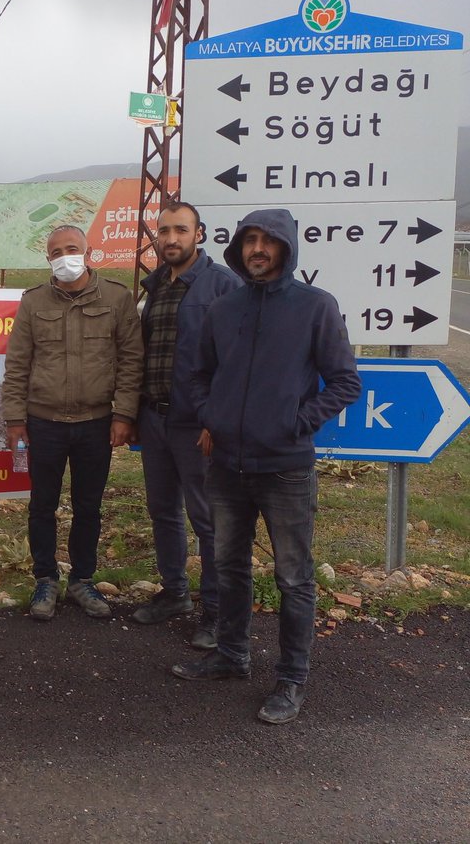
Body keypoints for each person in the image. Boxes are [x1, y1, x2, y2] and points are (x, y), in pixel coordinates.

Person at [171, 208, 361, 725]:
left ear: (287, 248)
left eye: (268, 241)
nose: (258, 249)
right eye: (249, 239)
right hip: (226, 466)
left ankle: (291, 678)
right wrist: (212, 413)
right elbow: (196, 374)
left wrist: (296, 423)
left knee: (293, 577)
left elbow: (345, 382)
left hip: (285, 468)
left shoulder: (315, 307)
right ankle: (232, 656)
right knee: (228, 566)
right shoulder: (224, 307)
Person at [2, 225, 143, 621]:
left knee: (88, 506)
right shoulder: (33, 302)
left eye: (72, 249)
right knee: (41, 505)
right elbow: (17, 364)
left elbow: (132, 361)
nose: (65, 256)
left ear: (88, 252)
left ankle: (82, 579)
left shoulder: (116, 298)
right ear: (48, 259)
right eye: (56, 251)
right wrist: (15, 418)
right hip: (42, 423)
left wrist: (125, 414)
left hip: (96, 423)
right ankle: (44, 579)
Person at [132, 201, 239, 648]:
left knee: (206, 519)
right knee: (163, 513)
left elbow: (235, 362)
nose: (170, 239)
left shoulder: (223, 285)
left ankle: (216, 613)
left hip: (197, 425)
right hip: (154, 419)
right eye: (163, 231)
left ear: (200, 234)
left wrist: (217, 419)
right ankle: (175, 593)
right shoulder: (154, 285)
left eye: (180, 230)